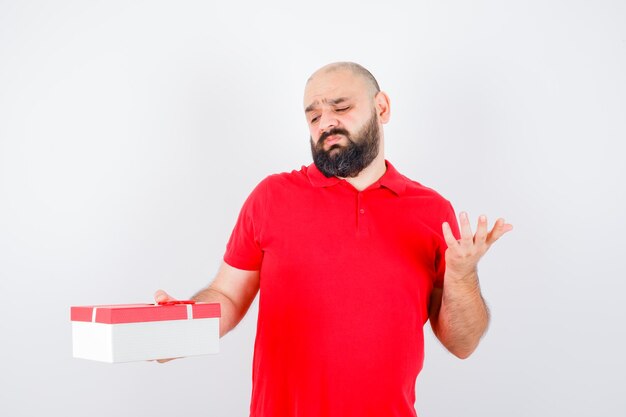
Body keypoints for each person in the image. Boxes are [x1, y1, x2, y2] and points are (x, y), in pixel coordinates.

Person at [155, 62, 513, 417]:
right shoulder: (271, 198)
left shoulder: (433, 212)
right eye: (314, 116)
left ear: (381, 107)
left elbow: (462, 344)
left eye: (341, 107)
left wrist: (463, 275)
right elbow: (228, 296)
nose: (326, 122)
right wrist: (178, 329)